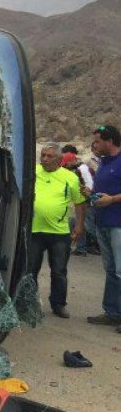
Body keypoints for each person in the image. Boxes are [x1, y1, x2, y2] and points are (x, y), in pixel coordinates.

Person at [30, 142, 87, 319]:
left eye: (49, 156)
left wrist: (79, 226)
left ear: (60, 160)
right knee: (30, 270)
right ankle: (29, 303)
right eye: (43, 155)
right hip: (34, 230)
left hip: (59, 232)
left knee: (59, 271)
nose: (45, 159)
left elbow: (79, 202)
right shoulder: (32, 173)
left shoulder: (69, 178)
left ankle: (58, 304)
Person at [86, 125, 121, 331]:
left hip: (118, 224)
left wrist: (112, 200)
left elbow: (112, 196)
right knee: (110, 270)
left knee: (120, 271)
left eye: (98, 141)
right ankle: (113, 313)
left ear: (109, 141)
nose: (95, 146)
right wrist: (90, 193)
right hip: (104, 223)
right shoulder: (104, 163)